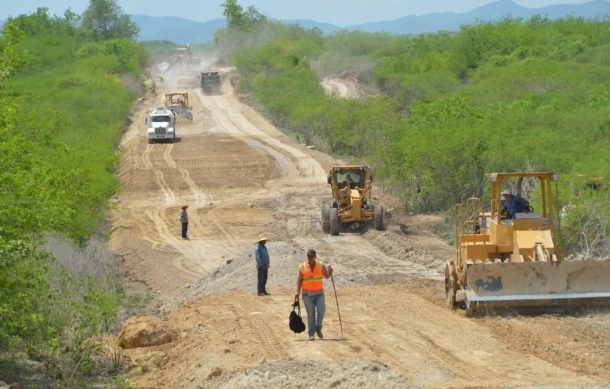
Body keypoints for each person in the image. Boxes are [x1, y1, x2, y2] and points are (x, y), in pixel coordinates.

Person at [295, 249, 333, 341]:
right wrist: (297, 292)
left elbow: (327, 276)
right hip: (307, 294)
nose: (310, 258)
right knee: (310, 314)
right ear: (307, 256)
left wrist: (330, 272)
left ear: (315, 257)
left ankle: (318, 328)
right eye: (308, 256)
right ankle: (311, 334)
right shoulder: (302, 267)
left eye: (312, 256)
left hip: (319, 293)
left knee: (321, 311)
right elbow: (300, 280)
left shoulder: (320, 265)